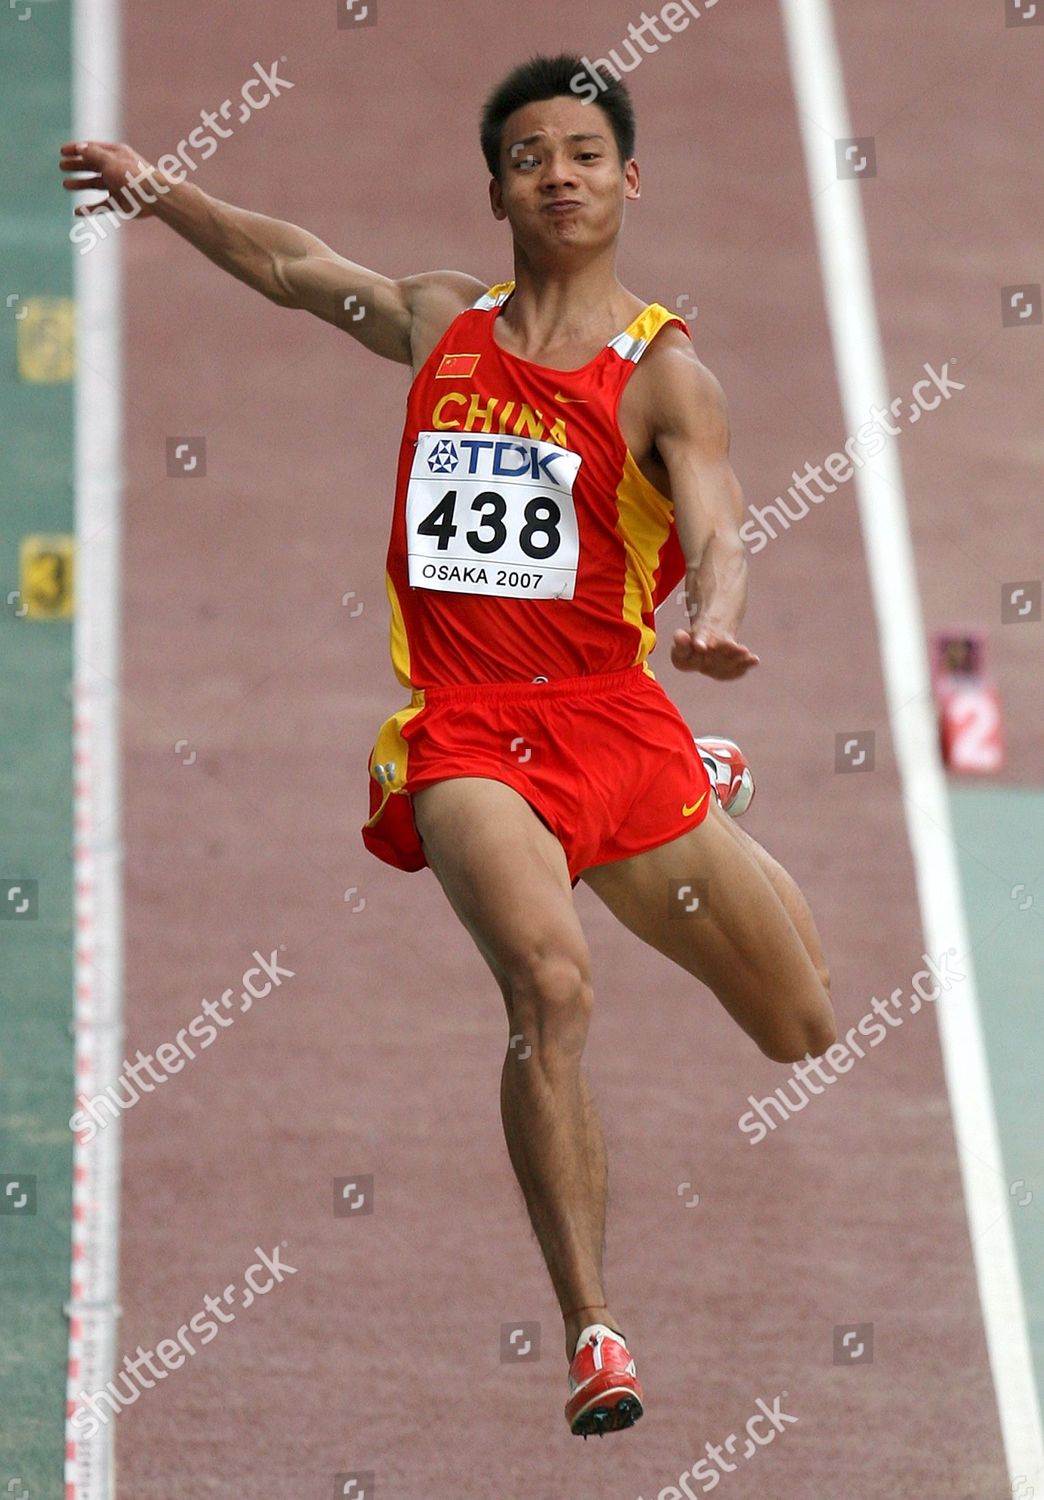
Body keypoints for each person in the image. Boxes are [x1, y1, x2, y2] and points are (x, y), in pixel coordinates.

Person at [60, 50, 837, 1438]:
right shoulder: (439, 324)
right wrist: (161, 190)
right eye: (532, 155)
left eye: (587, 154)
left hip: (616, 718)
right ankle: (594, 1329)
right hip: (468, 737)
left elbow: (716, 525)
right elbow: (295, 267)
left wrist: (715, 617)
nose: (561, 174)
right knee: (552, 984)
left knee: (803, 1030)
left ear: (628, 180)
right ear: (497, 189)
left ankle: (703, 784)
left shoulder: (665, 375)